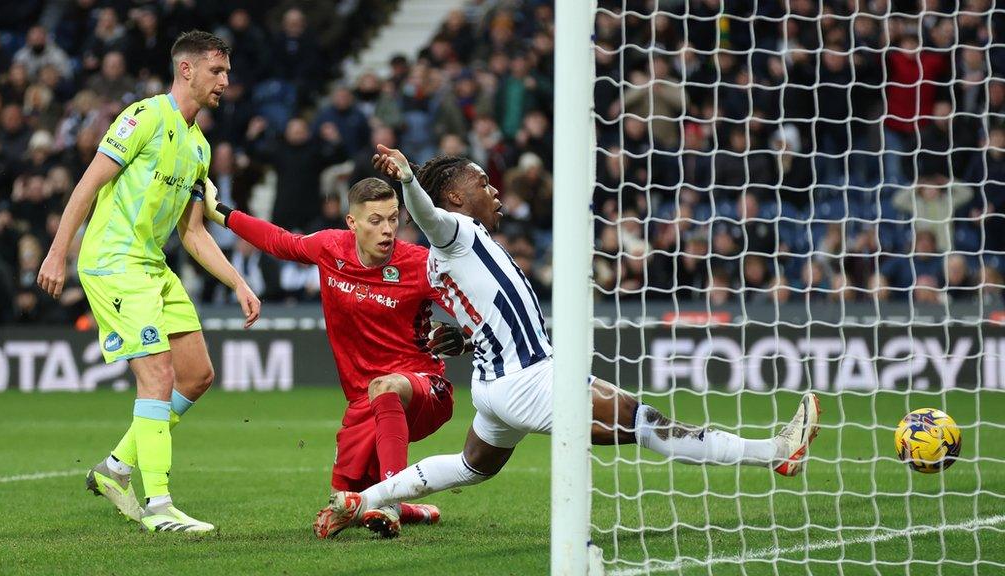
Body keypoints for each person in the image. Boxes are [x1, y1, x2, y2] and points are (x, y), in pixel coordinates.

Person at [313, 146, 822, 538]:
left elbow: (488, 314)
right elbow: (427, 216)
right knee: (648, 423)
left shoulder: (464, 250)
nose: (497, 193)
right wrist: (406, 178)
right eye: (484, 184)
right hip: (530, 379)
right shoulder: (455, 231)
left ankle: (362, 500)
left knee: (471, 467)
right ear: (455, 199)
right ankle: (776, 451)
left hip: (496, 386)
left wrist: (465, 339)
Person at [37, 31, 261, 533]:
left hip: (152, 266)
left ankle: (115, 468)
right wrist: (57, 253)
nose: (226, 81)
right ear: (187, 70)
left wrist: (237, 283)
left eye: (227, 72)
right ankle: (159, 509)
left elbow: (193, 232)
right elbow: (88, 184)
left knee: (197, 375)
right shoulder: (143, 116)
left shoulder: (199, 146)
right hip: (114, 261)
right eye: (216, 71)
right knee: (157, 375)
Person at [203, 176, 467, 537]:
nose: (388, 230)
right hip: (363, 403)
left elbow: (477, 308)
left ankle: (390, 504)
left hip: (424, 390)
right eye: (376, 221)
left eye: (393, 219)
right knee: (344, 504)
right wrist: (221, 213)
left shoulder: (421, 264)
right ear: (352, 223)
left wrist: (465, 339)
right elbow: (280, 241)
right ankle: (414, 510)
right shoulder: (330, 248)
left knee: (386, 386)